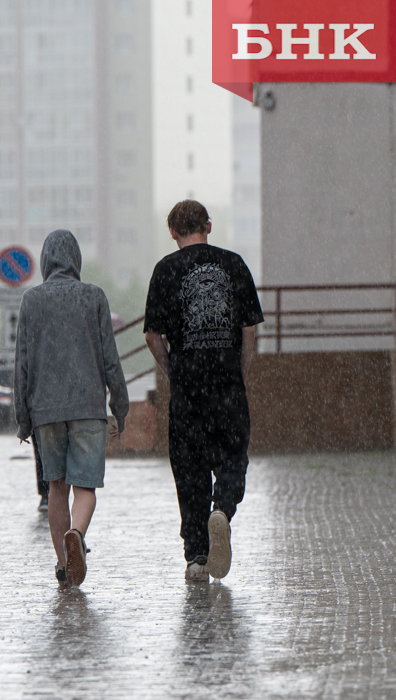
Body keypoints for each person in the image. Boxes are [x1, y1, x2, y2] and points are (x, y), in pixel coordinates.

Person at [143, 200, 263, 581]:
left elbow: (151, 334)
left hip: (187, 387)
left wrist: (172, 371)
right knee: (232, 457)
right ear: (208, 226)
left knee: (189, 470)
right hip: (227, 382)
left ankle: (196, 554)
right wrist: (238, 373)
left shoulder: (165, 269)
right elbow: (249, 331)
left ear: (173, 232)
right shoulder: (235, 264)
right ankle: (222, 511)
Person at [14, 229, 128, 588]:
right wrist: (119, 406)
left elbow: (22, 365)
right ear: (76, 259)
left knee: (56, 487)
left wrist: (22, 420)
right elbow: (110, 358)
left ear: (46, 261)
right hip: (88, 406)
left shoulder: (31, 301)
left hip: (46, 410)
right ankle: (77, 533)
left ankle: (64, 565)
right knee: (86, 487)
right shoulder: (94, 297)